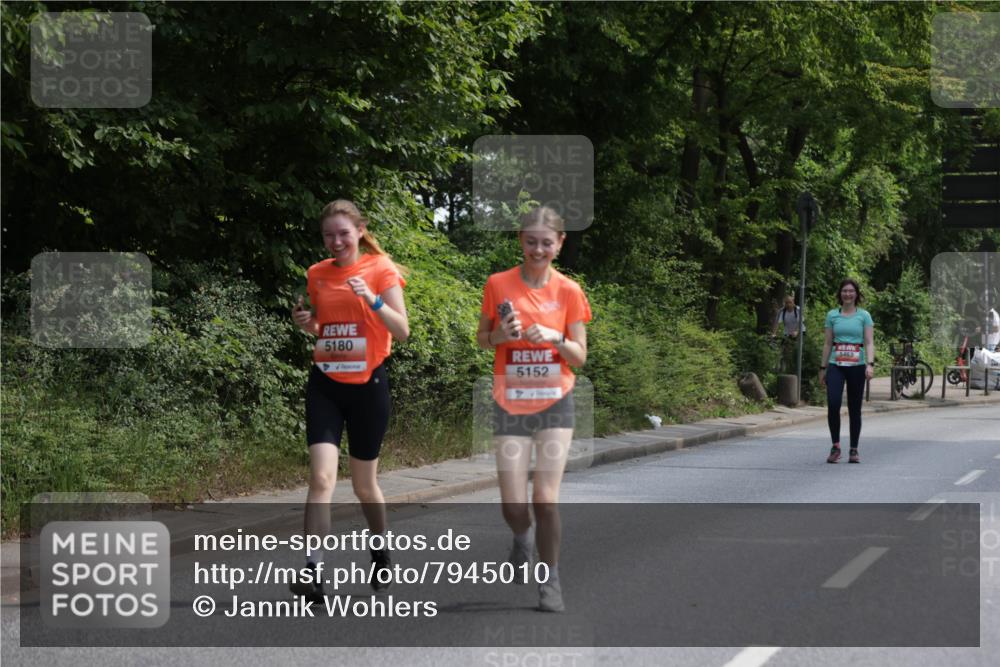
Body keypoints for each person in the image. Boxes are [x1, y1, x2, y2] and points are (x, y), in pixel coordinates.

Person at [289, 199, 409, 603]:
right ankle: (313, 570)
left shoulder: (380, 269)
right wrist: (309, 325)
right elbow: (326, 327)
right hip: (325, 383)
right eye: (328, 235)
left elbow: (402, 329)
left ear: (360, 230)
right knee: (321, 479)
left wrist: (372, 299)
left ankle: (379, 548)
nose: (336, 241)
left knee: (364, 486)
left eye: (343, 233)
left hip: (368, 386)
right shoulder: (317, 274)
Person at [477, 206, 592, 613]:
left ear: (559, 244)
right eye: (531, 242)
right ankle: (521, 538)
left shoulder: (569, 292)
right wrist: (499, 335)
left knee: (545, 498)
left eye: (547, 242)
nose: (538, 249)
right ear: (520, 241)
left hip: (555, 401)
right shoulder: (498, 284)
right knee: (513, 505)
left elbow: (578, 356)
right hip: (510, 401)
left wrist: (555, 337)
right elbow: (482, 339)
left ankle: (550, 581)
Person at [819, 279, 874, 464]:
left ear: (856, 294)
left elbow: (869, 342)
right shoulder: (832, 315)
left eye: (851, 291)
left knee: (854, 408)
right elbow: (827, 343)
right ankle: (836, 446)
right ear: (840, 294)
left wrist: (870, 364)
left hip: (857, 366)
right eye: (844, 291)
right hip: (836, 364)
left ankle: (854, 449)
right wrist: (823, 367)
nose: (848, 294)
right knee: (833, 404)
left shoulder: (864, 316)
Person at [771, 294, 805, 372]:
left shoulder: (798, 310)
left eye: (790, 302)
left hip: (800, 332)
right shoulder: (782, 311)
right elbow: (777, 323)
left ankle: (800, 365)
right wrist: (774, 334)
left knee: (798, 349)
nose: (788, 304)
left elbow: (800, 322)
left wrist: (796, 331)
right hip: (788, 333)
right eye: (786, 303)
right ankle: (782, 368)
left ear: (793, 302)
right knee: (783, 350)